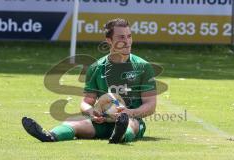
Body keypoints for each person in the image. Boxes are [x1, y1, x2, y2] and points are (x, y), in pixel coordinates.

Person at [22, 18, 156, 144]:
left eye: (129, 36)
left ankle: (120, 135)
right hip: (102, 122)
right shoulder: (96, 68)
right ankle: (49, 135)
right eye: (121, 37)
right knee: (73, 123)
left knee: (131, 124)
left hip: (132, 119)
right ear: (109, 40)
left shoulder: (143, 67)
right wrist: (92, 112)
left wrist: (129, 112)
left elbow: (150, 105)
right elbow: (86, 102)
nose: (127, 41)